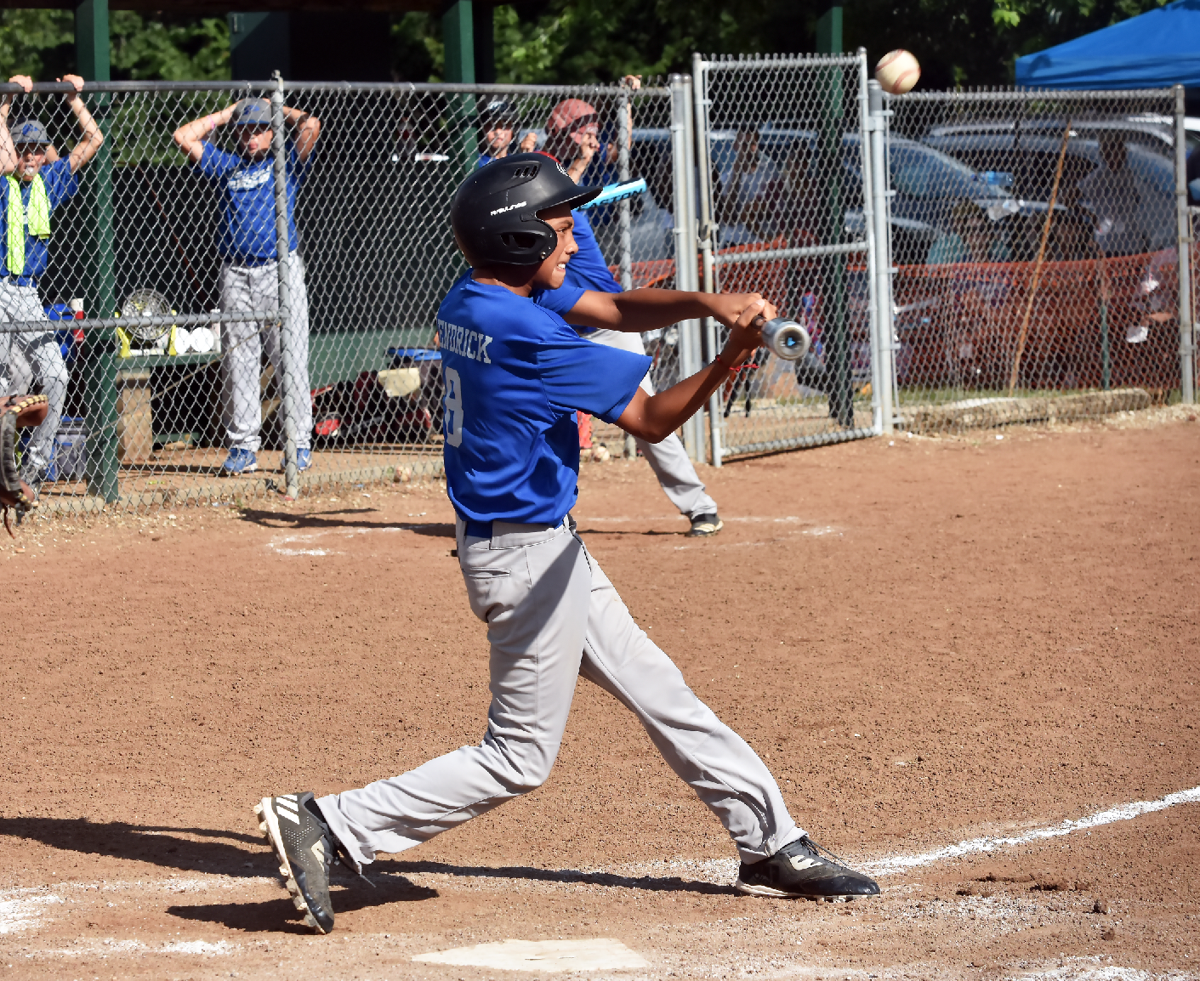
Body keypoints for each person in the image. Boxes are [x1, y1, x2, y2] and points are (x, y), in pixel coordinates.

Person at [254, 154, 880, 935]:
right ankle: (334, 821)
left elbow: (612, 309)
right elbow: (650, 420)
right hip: (526, 560)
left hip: (537, 545)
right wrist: (731, 356)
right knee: (518, 756)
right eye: (556, 229)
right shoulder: (528, 335)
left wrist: (706, 302)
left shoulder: (473, 297)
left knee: (661, 689)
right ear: (515, 243)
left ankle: (769, 841)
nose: (570, 237)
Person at [535, 85, 725, 536]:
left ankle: (698, 504)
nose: (588, 138)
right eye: (578, 130)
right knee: (540, 421)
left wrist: (624, 107)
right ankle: (549, 510)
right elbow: (562, 169)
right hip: (560, 329)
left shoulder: (562, 201)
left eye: (589, 130)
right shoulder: (545, 188)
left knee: (646, 418)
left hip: (606, 325)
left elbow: (612, 149)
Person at [173, 97, 320, 475]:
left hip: (279, 270)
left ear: (272, 133)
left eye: (259, 129)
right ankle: (243, 447)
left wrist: (278, 106)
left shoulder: (284, 163)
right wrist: (228, 113)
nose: (251, 137)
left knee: (290, 358)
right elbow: (183, 136)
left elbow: (312, 126)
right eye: (246, 130)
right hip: (236, 272)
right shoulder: (229, 164)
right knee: (240, 361)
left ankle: (298, 443)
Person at [0, 73, 104, 496]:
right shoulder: (3, 184)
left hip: (28, 294)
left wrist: (73, 99)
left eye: (37, 150)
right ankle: (3, 474)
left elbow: (93, 140)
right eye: (23, 148)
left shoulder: (48, 183)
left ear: (45, 154)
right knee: (6, 385)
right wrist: (6, 100)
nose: (29, 157)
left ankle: (36, 469)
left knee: (56, 376)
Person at [1078, 132, 1146, 257]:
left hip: (1131, 240)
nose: (1123, 153)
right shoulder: (1098, 176)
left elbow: (1139, 200)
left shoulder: (1128, 174)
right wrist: (1091, 216)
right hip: (1108, 242)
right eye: (1117, 149)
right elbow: (1067, 197)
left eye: (1123, 149)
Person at [717, 126, 779, 246]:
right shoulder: (726, 178)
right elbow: (727, 217)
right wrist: (736, 175)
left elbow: (771, 211)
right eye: (744, 144)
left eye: (752, 144)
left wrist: (745, 215)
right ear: (736, 146)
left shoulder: (769, 172)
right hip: (734, 241)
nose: (749, 149)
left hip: (760, 240)